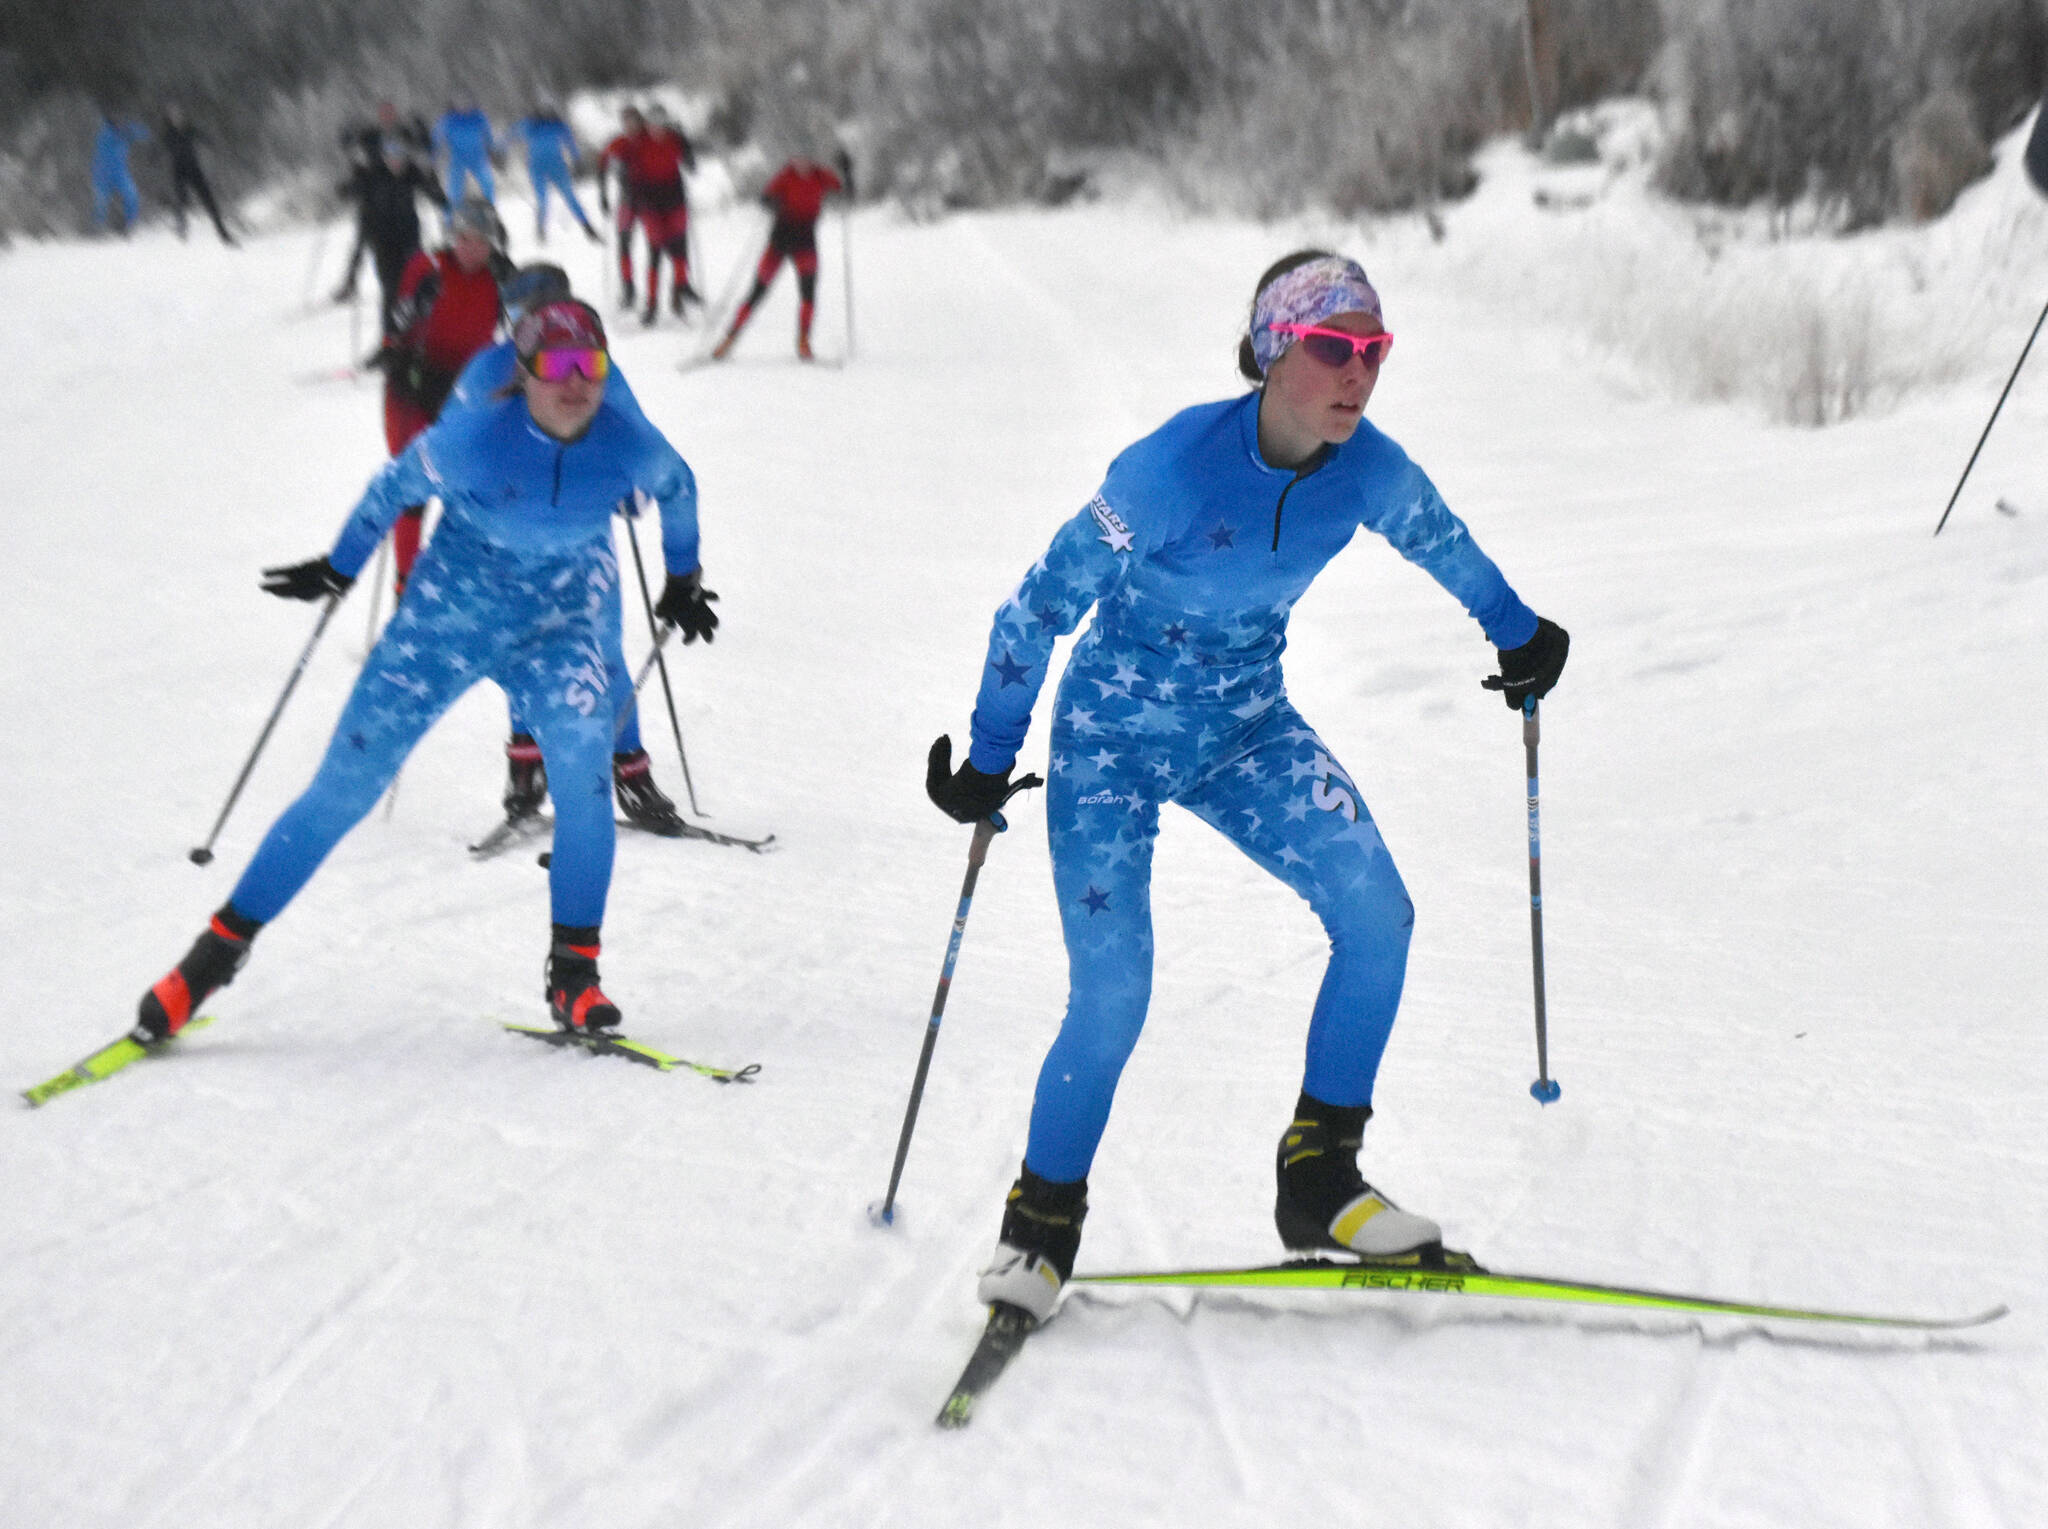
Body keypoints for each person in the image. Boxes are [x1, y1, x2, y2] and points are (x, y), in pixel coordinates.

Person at [925, 252, 1570, 1323]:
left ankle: (1319, 1178)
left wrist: (1518, 632)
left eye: (1372, 352)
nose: (1355, 374)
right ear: (1274, 351)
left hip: (1244, 728)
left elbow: (1440, 544)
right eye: (1331, 348)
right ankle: (1037, 1227)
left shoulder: (1363, 466)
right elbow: (1036, 606)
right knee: (1115, 990)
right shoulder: (1167, 471)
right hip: (1110, 744)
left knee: (1379, 918)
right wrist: (991, 750)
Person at [131, 299, 719, 1046]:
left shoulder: (627, 441)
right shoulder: (475, 438)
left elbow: (680, 489)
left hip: (560, 622)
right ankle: (211, 958)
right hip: (448, 617)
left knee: (583, 779)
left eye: (591, 366)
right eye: (557, 366)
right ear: (524, 372)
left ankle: (576, 977)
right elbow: (391, 490)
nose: (576, 383)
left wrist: (683, 579)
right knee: (344, 784)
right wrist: (340, 566)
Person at [448, 264, 706, 833]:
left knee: (600, 650)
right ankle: (527, 768)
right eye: (525, 318)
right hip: (507, 536)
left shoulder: (590, 369)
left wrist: (630, 490)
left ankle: (629, 775)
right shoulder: (490, 375)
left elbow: (637, 437)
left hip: (582, 535)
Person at [371, 197, 512, 597]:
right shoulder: (427, 267)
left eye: (481, 241)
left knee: (473, 491)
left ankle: (463, 590)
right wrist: (416, 305)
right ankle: (405, 589)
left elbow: (519, 332)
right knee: (414, 490)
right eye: (465, 239)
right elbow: (393, 328)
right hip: (412, 388)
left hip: (464, 393)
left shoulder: (497, 280)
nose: (472, 249)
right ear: (452, 238)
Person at [710, 151, 850, 362]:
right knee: (757, 291)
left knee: (808, 294)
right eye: (798, 158)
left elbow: (846, 193)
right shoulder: (785, 176)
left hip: (805, 242)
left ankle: (804, 342)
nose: (802, 163)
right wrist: (771, 203)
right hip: (779, 242)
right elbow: (764, 198)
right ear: (792, 159)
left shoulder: (822, 176)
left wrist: (847, 172)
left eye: (806, 158)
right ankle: (729, 339)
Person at [335, 132, 445, 333]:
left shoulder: (413, 172)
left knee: (419, 286)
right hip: (383, 242)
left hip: (410, 238)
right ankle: (390, 339)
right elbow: (345, 192)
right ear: (383, 156)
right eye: (390, 155)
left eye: (400, 155)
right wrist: (354, 177)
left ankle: (418, 335)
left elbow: (440, 200)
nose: (396, 161)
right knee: (391, 290)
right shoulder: (373, 173)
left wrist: (432, 176)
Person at [598, 104, 699, 325]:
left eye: (634, 122)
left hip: (667, 199)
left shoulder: (664, 138)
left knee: (677, 246)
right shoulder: (627, 143)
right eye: (626, 123)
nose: (630, 127)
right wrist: (603, 192)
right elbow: (604, 159)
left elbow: (687, 157)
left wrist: (687, 150)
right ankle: (631, 290)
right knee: (631, 244)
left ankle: (680, 288)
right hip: (635, 200)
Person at [334, 103, 432, 304]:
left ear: (395, 115)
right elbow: (347, 145)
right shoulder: (370, 134)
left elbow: (425, 145)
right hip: (371, 197)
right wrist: (348, 130)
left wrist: (422, 129)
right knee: (362, 241)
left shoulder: (404, 133)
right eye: (383, 114)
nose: (387, 117)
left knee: (409, 244)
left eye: (390, 113)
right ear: (379, 116)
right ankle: (350, 282)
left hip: (398, 198)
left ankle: (418, 283)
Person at [515, 102, 600, 244]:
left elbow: (571, 143)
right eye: (540, 110)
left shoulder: (558, 125)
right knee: (543, 200)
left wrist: (577, 161)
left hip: (557, 167)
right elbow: (511, 136)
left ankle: (588, 227)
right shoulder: (529, 125)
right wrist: (497, 151)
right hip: (537, 168)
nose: (543, 112)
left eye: (545, 109)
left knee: (570, 198)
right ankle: (541, 230)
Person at [160, 103, 236, 245]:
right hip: (179, 171)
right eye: (173, 116)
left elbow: (203, 136)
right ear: (169, 119)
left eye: (179, 115)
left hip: (194, 170)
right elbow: (160, 149)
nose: (177, 117)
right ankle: (181, 228)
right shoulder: (168, 134)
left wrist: (213, 143)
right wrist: (152, 157)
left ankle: (223, 232)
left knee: (209, 200)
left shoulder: (189, 129)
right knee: (182, 200)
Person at [90, 110, 150, 234]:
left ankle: (130, 224)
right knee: (101, 202)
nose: (119, 122)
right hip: (102, 173)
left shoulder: (124, 131)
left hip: (120, 173)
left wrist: (132, 130)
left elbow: (144, 133)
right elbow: (115, 137)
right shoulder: (105, 133)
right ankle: (97, 227)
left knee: (132, 196)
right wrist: (127, 132)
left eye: (120, 120)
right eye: (115, 120)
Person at [435, 96, 498, 206]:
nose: (463, 106)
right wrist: (434, 154)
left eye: (466, 102)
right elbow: (436, 138)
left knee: (488, 184)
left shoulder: (479, 117)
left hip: (478, 159)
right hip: (458, 160)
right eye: (460, 103)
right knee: (454, 191)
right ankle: (450, 217)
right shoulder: (448, 120)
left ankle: (491, 209)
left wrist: (493, 150)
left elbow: (489, 136)